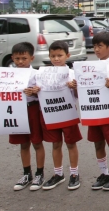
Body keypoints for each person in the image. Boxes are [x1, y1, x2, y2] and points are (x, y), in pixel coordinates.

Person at [0, 42, 46, 191]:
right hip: (16, 110)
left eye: (24, 58)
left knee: (37, 142)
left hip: (32, 109)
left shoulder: (36, 74)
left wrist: (36, 91)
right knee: (23, 144)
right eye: (17, 58)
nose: (20, 62)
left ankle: (40, 173)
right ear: (12, 58)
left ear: (31, 58)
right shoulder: (6, 75)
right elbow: (1, 89)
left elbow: (44, 92)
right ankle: (27, 174)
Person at [36, 41, 83, 191]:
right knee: (55, 143)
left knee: (71, 143)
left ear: (67, 56)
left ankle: (74, 174)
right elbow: (39, 93)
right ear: (49, 56)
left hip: (67, 112)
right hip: (51, 113)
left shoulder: (71, 73)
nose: (56, 59)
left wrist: (74, 88)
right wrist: (36, 90)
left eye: (60, 55)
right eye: (53, 56)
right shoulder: (43, 73)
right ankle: (58, 173)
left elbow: (78, 95)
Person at [85, 32, 109, 191]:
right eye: (94, 46)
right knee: (98, 142)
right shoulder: (89, 67)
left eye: (100, 46)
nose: (96, 49)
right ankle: (104, 173)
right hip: (93, 108)